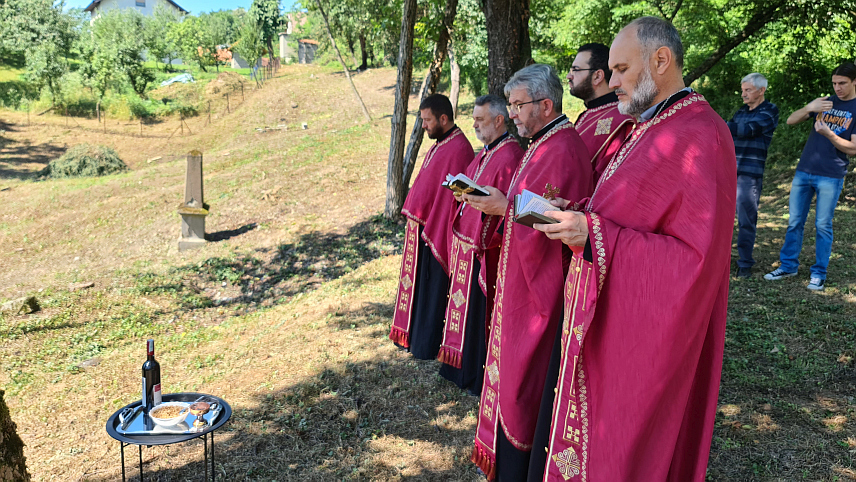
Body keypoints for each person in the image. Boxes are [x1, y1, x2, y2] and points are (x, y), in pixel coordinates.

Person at [529, 17, 736, 481]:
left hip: (645, 332)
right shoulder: (648, 124)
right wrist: (579, 213)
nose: (612, 80)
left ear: (660, 61)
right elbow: (626, 210)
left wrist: (595, 235)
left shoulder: (701, 133)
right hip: (608, 309)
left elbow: (695, 264)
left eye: (621, 68)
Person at [464, 64, 593, 481]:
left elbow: (557, 221)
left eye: (518, 106)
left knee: (528, 379)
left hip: (540, 289)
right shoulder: (542, 142)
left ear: (546, 104)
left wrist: (506, 206)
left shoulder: (563, 148)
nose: (512, 114)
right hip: (518, 280)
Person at [437, 95, 524, 395]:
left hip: (484, 248)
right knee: (462, 309)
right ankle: (456, 365)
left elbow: (504, 202)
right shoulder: (487, 151)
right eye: (473, 118)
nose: (473, 124)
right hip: (466, 241)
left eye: (480, 119)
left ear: (499, 120)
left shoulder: (510, 154)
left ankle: (473, 372)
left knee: (476, 315)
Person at [389, 94, 474, 359]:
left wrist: (431, 221)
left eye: (427, 120)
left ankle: (425, 343)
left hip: (436, 230)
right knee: (418, 287)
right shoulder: (441, 143)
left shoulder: (459, 148)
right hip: (422, 228)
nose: (423, 125)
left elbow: (453, 196)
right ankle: (413, 337)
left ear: (443, 119)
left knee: (432, 290)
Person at [763, 62, 856, 291]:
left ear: (855, 82)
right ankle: (788, 266)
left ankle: (819, 273)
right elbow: (790, 120)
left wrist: (829, 134)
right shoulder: (825, 101)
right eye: (834, 83)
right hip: (804, 171)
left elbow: (853, 149)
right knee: (794, 221)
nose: (837, 88)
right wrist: (808, 107)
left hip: (831, 174)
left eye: (842, 83)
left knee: (823, 224)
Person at [727, 73, 779, 278]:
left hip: (749, 174)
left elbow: (749, 129)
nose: (743, 94)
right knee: (722, 218)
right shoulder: (741, 111)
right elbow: (730, 133)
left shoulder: (769, 110)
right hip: (730, 171)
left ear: (761, 90)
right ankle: (722, 259)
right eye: (743, 90)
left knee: (746, 220)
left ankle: (745, 263)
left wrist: (719, 123)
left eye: (748, 90)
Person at [567, 42, 635, 183]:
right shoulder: (587, 115)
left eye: (575, 70)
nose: (569, 76)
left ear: (598, 76)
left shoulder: (621, 120)